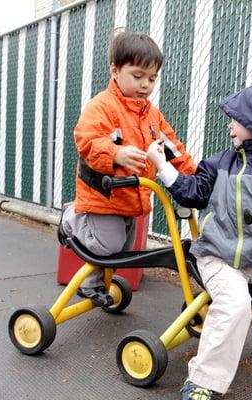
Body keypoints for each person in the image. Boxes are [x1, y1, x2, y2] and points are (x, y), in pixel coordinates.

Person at [147, 84, 252, 399]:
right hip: (217, 255)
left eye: (237, 119)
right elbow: (195, 192)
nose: (230, 124)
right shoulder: (220, 162)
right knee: (235, 304)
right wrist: (163, 168)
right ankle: (203, 380)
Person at [61, 29, 195, 307]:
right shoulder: (102, 106)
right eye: (137, 76)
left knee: (121, 250)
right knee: (104, 246)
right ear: (115, 70)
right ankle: (71, 219)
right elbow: (86, 140)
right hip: (102, 197)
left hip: (133, 198)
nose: (145, 85)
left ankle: (97, 282)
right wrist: (116, 153)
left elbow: (171, 148)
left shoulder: (152, 115)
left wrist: (193, 174)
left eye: (152, 79)